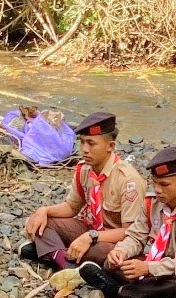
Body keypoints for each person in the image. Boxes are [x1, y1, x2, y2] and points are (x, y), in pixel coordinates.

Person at [20, 111, 146, 283]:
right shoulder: (84, 169)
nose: (85, 149)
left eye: (91, 144)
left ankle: (54, 254)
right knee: (40, 222)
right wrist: (44, 210)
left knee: (101, 253)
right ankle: (68, 267)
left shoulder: (128, 180)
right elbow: (72, 207)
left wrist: (90, 237)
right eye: (82, 142)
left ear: (110, 146)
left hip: (113, 242)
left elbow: (130, 232)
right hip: (90, 231)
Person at [92, 145, 176, 298]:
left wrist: (149, 268)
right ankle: (148, 295)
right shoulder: (152, 204)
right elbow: (136, 237)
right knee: (107, 254)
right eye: (154, 183)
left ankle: (121, 290)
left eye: (164, 185)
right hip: (152, 263)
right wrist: (121, 252)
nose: (157, 190)